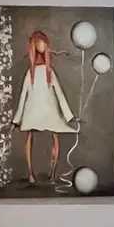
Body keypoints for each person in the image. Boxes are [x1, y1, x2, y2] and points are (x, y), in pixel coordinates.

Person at [12, 29, 78, 185]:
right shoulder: (30, 73)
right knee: (30, 135)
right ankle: (30, 174)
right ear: (34, 45)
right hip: (33, 110)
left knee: (54, 135)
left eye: (43, 43)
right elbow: (23, 96)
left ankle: (52, 175)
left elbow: (59, 94)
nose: (42, 46)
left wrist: (69, 116)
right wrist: (16, 119)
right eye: (39, 43)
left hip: (49, 110)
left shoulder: (49, 72)